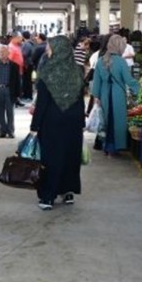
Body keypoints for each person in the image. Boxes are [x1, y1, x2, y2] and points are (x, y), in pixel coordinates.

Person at [30, 35, 85, 210]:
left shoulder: (48, 71)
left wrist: (34, 127)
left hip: (52, 122)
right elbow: (80, 98)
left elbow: (42, 103)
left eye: (50, 47)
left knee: (51, 159)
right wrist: (82, 122)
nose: (47, 50)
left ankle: (48, 196)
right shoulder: (77, 70)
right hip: (74, 121)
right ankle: (67, 191)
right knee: (70, 156)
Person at [92, 34, 141, 155]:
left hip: (104, 93)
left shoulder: (100, 61)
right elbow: (129, 80)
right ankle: (116, 146)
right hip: (118, 94)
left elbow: (96, 82)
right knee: (118, 120)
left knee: (106, 120)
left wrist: (96, 97)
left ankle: (106, 145)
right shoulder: (121, 62)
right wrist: (140, 88)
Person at [21, 31, 35, 101]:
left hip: (27, 65)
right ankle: (28, 95)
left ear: (23, 36)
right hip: (30, 64)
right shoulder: (32, 43)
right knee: (29, 80)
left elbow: (24, 54)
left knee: (26, 81)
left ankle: (27, 96)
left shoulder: (26, 44)